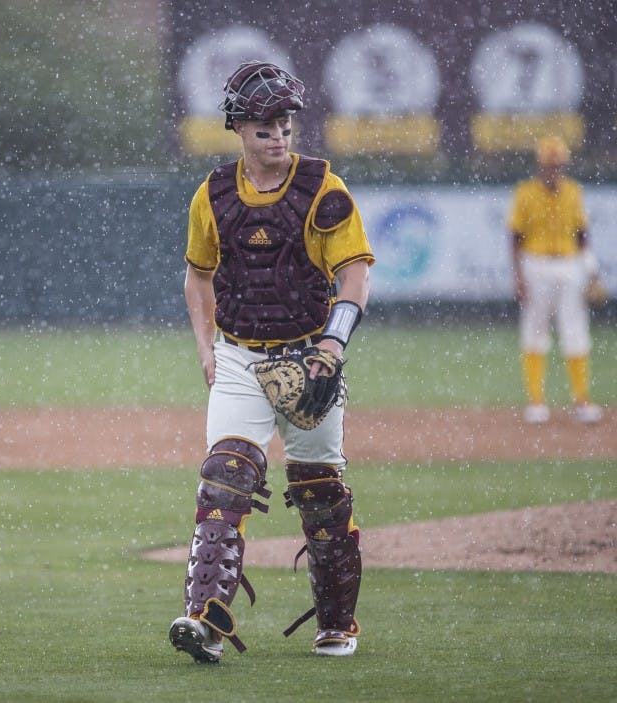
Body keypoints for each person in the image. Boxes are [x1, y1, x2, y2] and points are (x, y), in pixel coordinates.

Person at [168, 61, 375, 662]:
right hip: (239, 355)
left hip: (311, 353)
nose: (278, 136)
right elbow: (198, 277)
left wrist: (333, 346)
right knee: (225, 477)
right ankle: (204, 619)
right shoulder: (212, 194)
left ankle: (338, 623)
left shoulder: (324, 189)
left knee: (320, 492)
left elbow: (353, 274)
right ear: (237, 128)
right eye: (264, 127)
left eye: (285, 124)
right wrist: (207, 350)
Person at [509, 136, 602, 425]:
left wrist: (591, 270)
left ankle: (581, 400)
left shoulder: (574, 191)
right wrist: (519, 277)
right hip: (536, 264)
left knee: (574, 331)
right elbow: (515, 238)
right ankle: (536, 401)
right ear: (540, 165)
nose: (554, 170)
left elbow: (582, 235)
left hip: (569, 264)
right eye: (550, 165)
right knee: (535, 331)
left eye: (558, 165)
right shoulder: (525, 193)